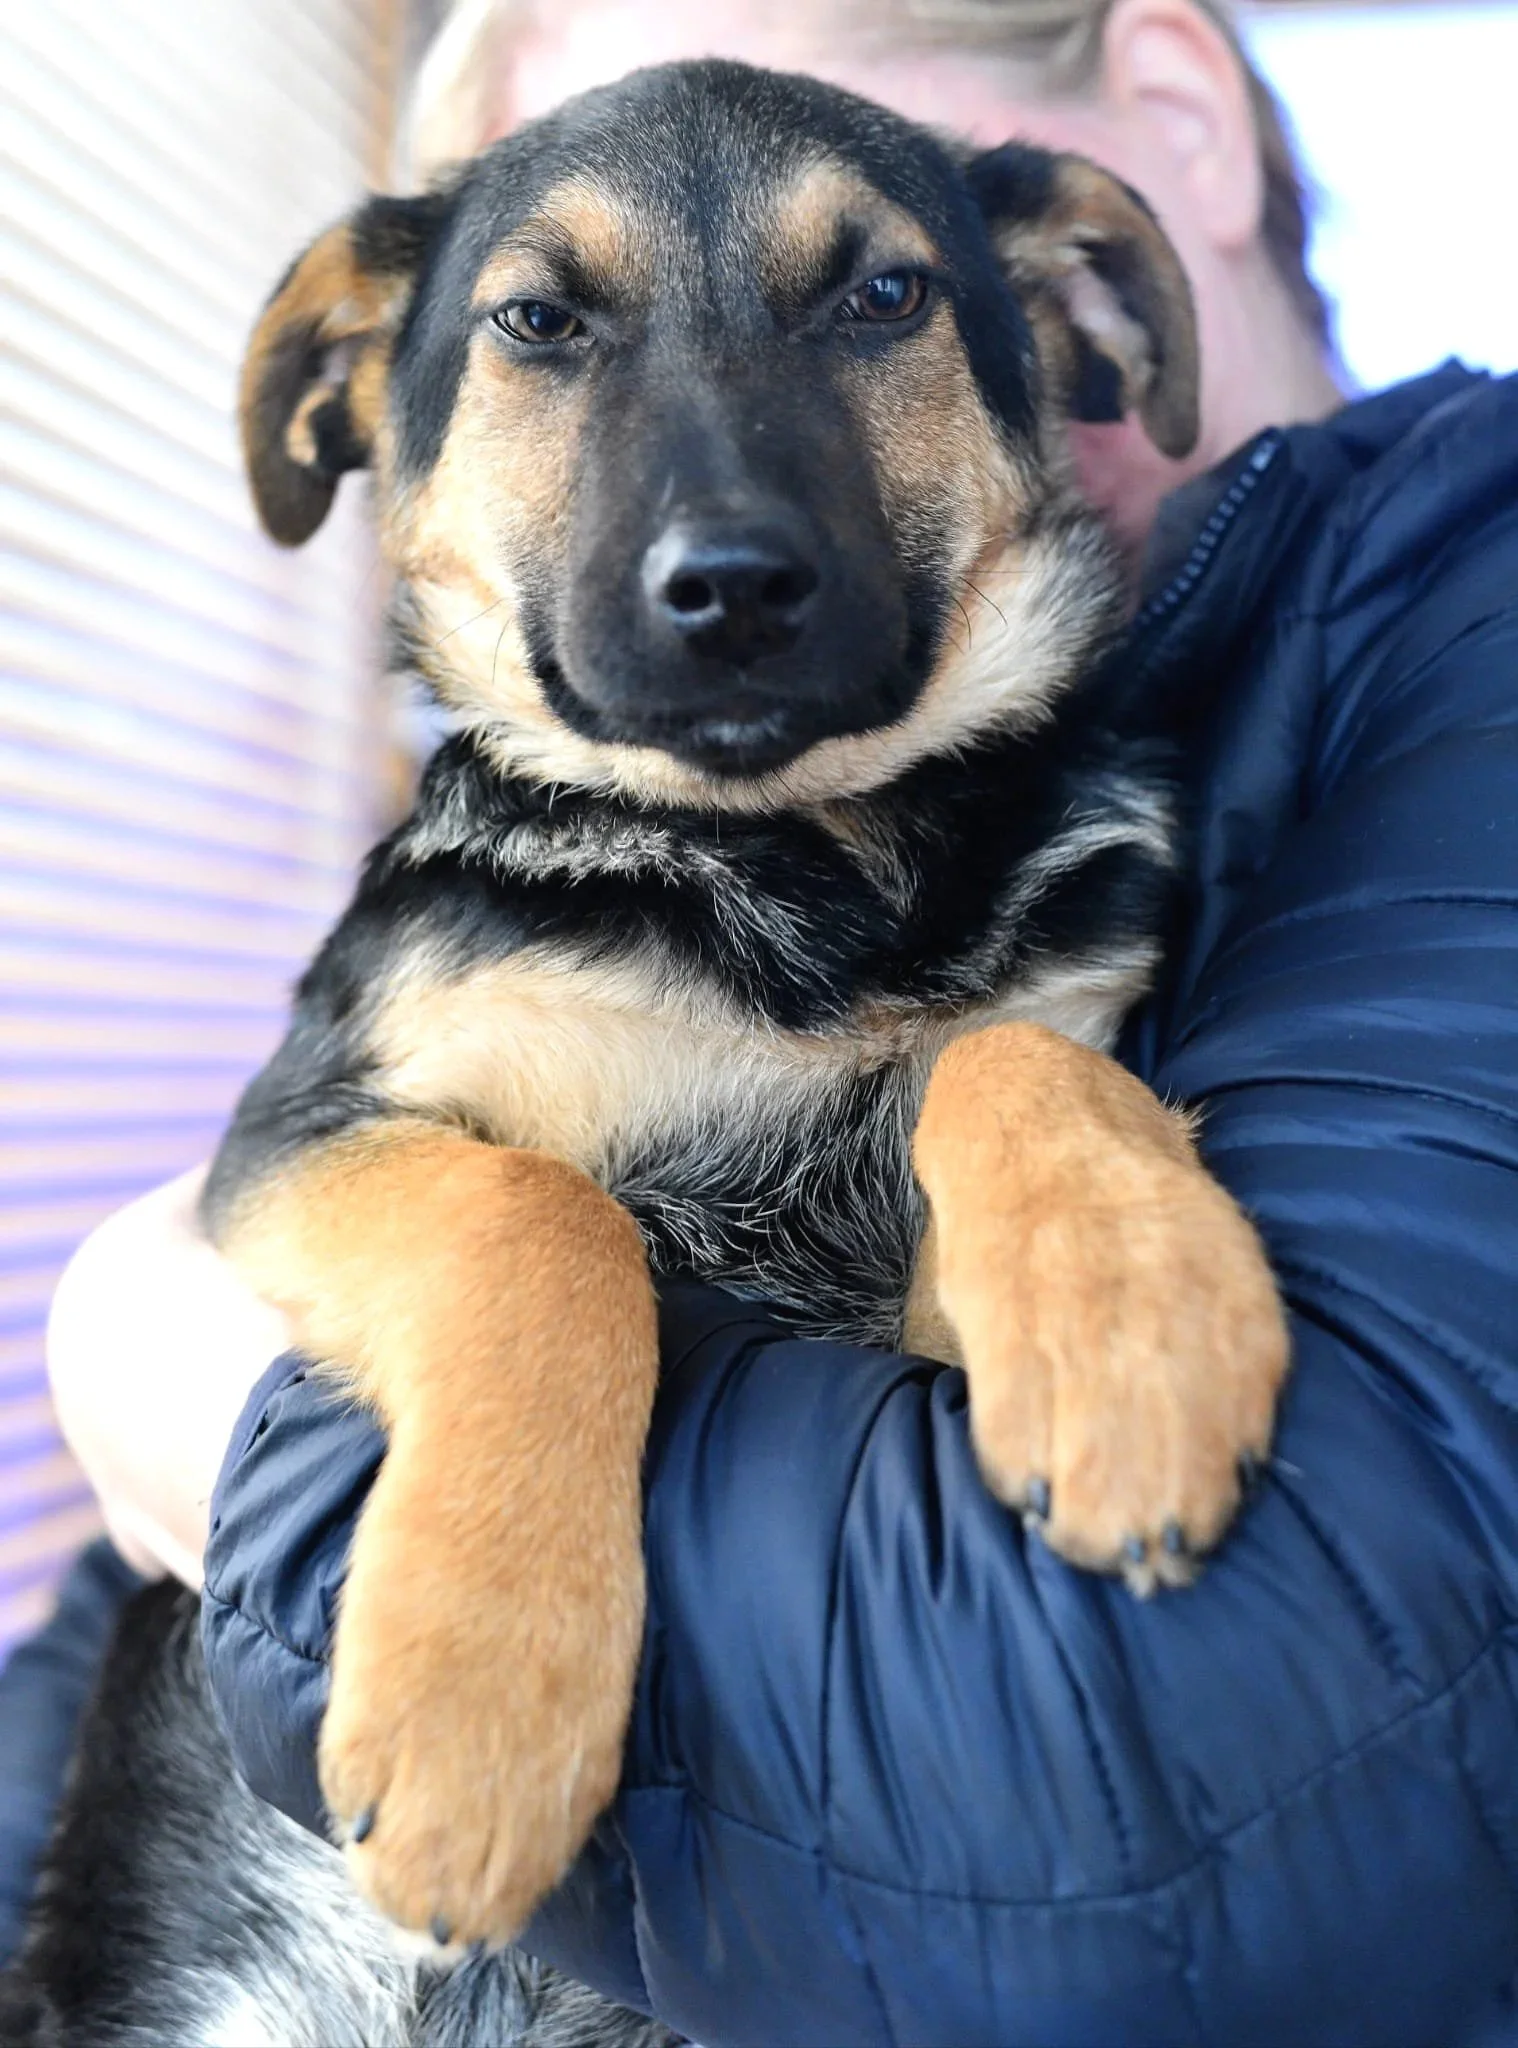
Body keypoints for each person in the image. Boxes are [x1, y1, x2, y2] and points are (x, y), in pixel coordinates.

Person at [20, 0, 1518, 2038]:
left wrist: (179, 1370)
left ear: (1100, 241)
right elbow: (123, 1611)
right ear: (379, 401)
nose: (718, 501)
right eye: (550, 320)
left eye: (869, 291)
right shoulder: (467, 903)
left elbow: (1224, 1778)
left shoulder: (1436, 648)